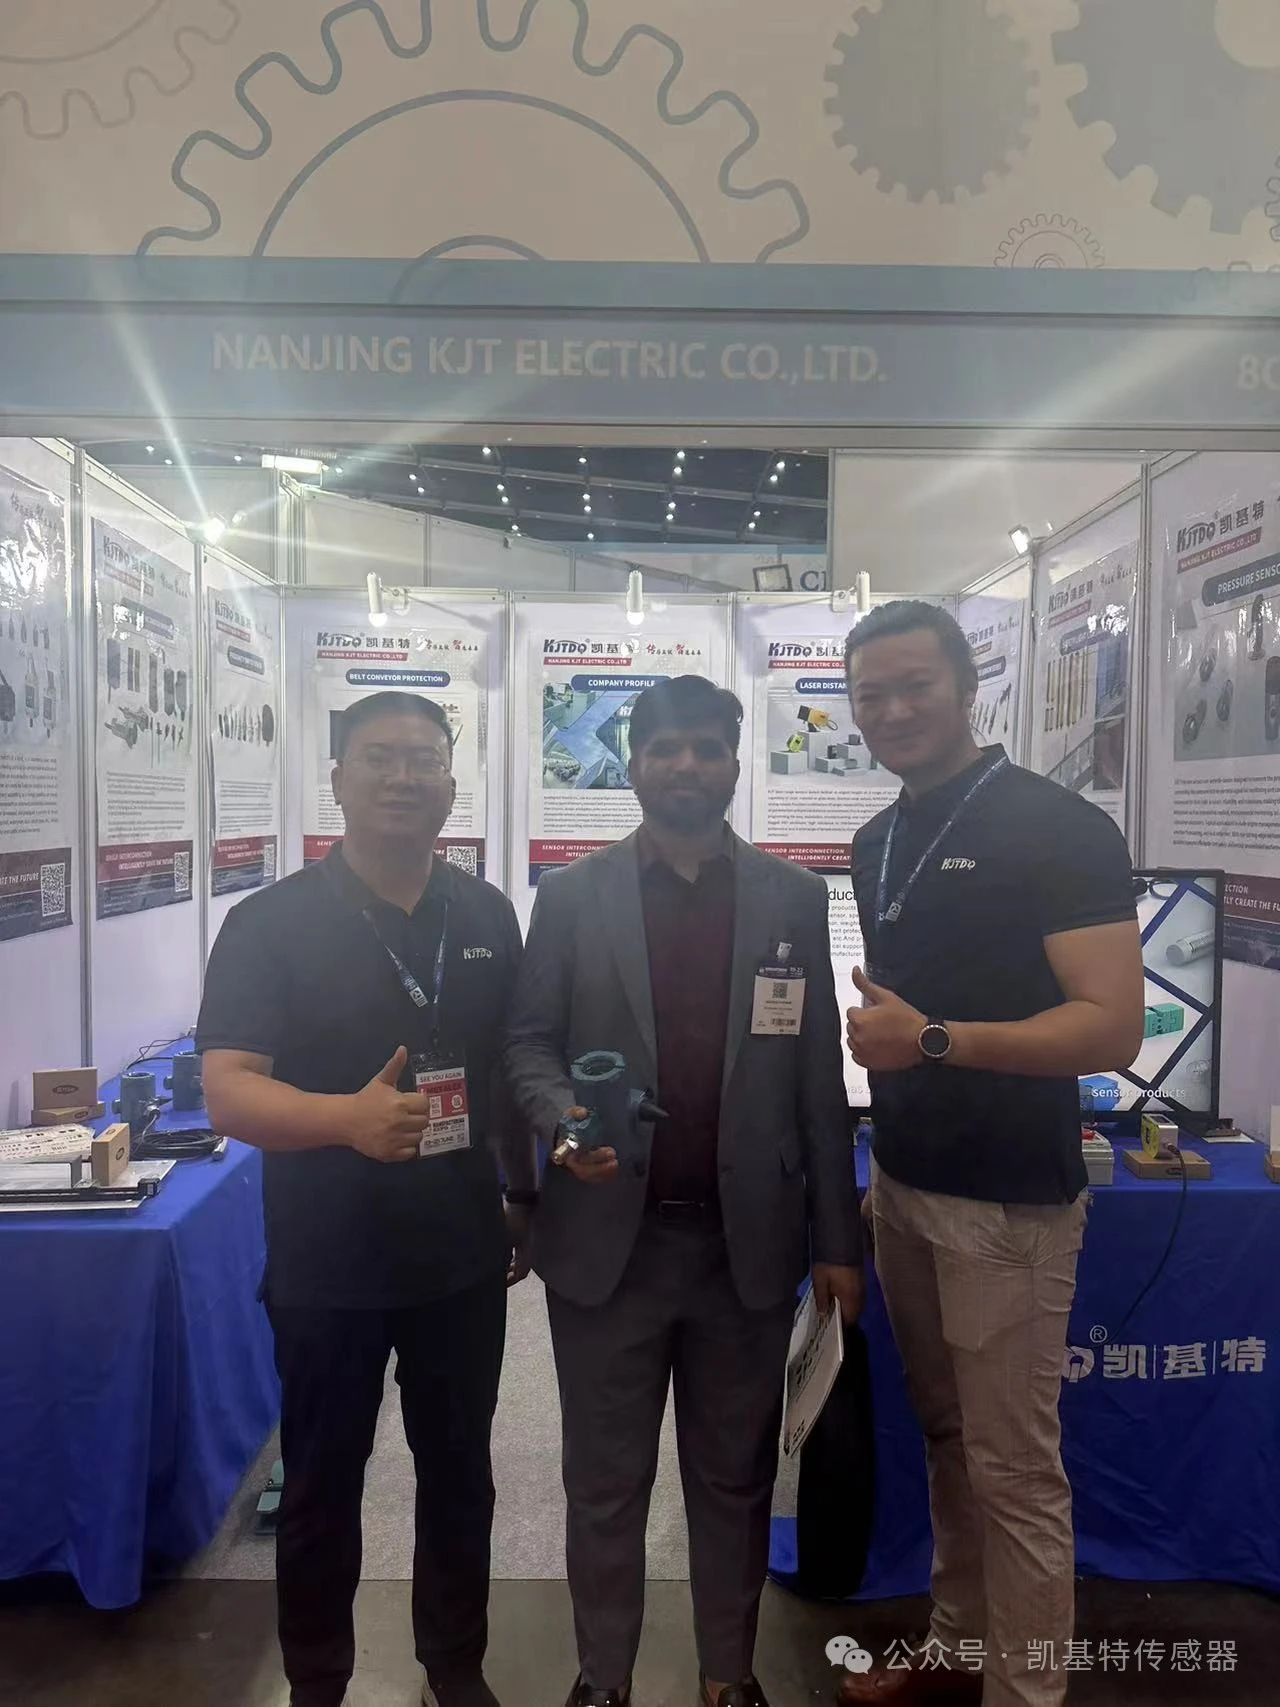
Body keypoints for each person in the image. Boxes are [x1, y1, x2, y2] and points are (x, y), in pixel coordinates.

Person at [505, 674, 864, 1707]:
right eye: (665, 748)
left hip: (742, 1249)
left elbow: (816, 1081)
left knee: (734, 1477)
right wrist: (563, 1119)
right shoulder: (572, 897)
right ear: (632, 763)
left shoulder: (792, 898)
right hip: (606, 1249)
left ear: (735, 763)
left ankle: (727, 1677)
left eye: (706, 747)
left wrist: (837, 1240)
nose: (686, 766)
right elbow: (528, 1042)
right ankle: (602, 1680)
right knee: (603, 1481)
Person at [198, 690, 537, 1707]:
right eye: (380, 757)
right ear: (338, 778)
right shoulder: (270, 922)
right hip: (327, 1259)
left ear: (450, 783)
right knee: (320, 1480)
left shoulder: (485, 914)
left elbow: (506, 1068)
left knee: (459, 1474)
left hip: (460, 1255)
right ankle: (317, 1681)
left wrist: (524, 1190)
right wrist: (345, 1119)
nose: (403, 776)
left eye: (424, 758)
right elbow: (229, 1090)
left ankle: (455, 1667)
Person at [837, 603, 1144, 1707]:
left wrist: (932, 1040)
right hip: (904, 1185)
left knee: (1012, 1470)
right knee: (945, 1436)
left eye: (914, 684)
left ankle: (1025, 1694)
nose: (892, 710)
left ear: (970, 687)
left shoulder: (1057, 827)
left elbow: (1111, 1027)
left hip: (1008, 1203)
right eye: (869, 695)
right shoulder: (877, 840)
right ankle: (956, 1645)